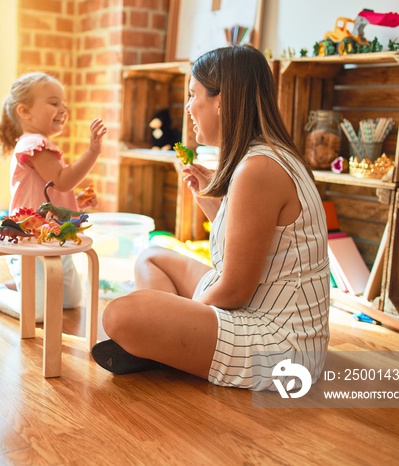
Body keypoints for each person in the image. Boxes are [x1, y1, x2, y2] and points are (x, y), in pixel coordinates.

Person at [92, 45, 330, 391]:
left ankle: (163, 345)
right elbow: (249, 246)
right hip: (255, 308)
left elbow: (234, 289)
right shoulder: (266, 156)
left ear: (222, 100)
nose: (188, 107)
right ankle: (166, 344)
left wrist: (179, 314)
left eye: (193, 95)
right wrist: (209, 199)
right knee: (151, 256)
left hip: (280, 347)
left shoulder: (258, 168)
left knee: (120, 314)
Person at [0, 71, 107, 322]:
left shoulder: (41, 144)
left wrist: (76, 202)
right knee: (38, 313)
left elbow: (53, 190)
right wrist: (92, 151)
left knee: (71, 300)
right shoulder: (33, 144)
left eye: (64, 104)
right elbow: (62, 180)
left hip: (53, 240)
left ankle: (23, 287)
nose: (63, 109)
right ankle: (0, 293)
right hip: (30, 242)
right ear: (25, 111)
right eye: (54, 103)